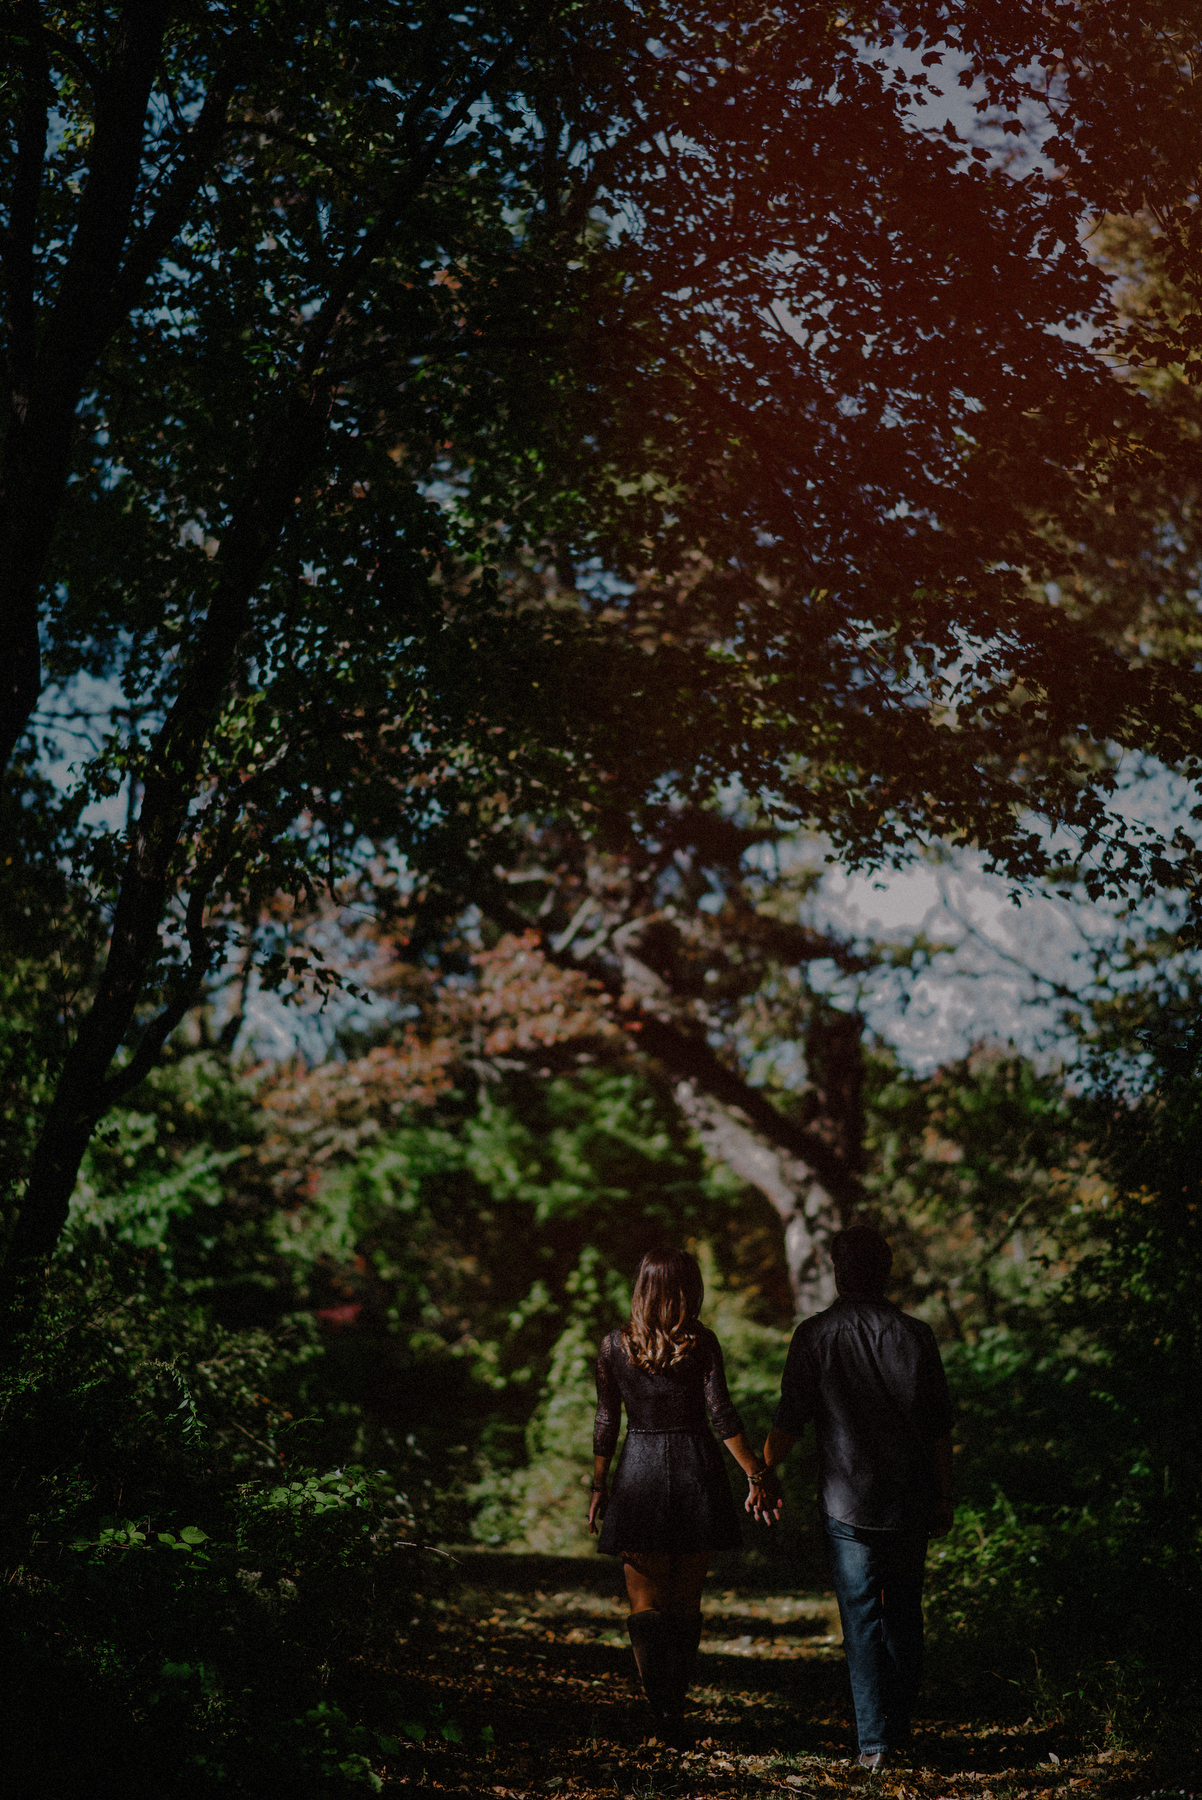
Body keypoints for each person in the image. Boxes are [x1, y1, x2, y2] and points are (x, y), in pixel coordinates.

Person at [754, 1225, 954, 1771]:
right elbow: (938, 1427)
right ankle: (902, 1731)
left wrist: (764, 1474)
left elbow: (790, 1419)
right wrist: (944, 1493)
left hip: (846, 1501)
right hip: (910, 1496)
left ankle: (876, 1744)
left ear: (839, 1271)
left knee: (862, 1617)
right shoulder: (916, 1335)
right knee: (906, 1615)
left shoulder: (814, 1335)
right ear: (885, 1270)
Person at [588, 1248, 774, 1736]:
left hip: (638, 1474)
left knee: (644, 1604)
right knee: (686, 1602)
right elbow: (723, 1414)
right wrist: (756, 1472)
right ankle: (676, 1702)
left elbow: (607, 1418)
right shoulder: (702, 1342)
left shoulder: (613, 1346)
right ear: (688, 1289)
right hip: (697, 1470)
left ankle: (663, 1709)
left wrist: (599, 1483)